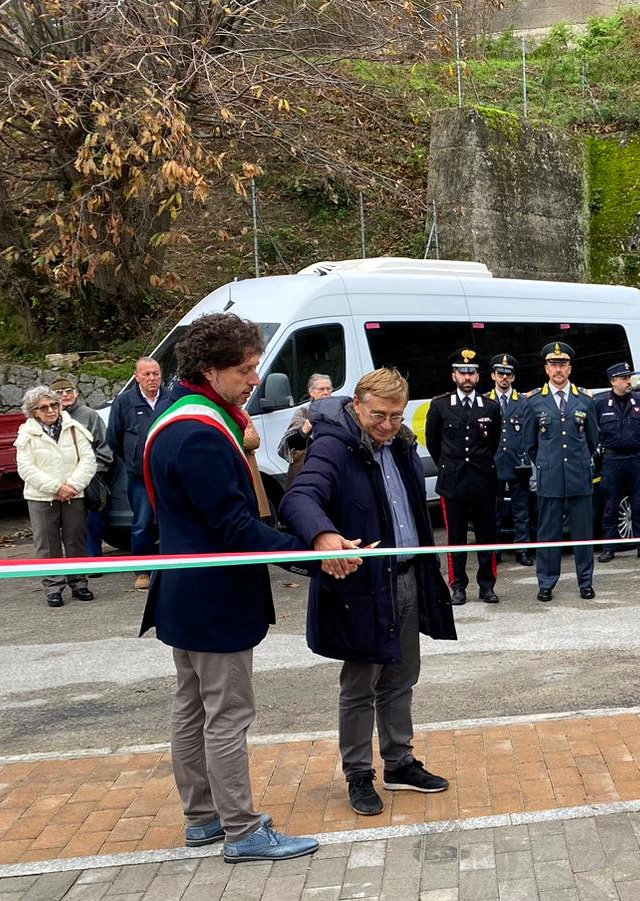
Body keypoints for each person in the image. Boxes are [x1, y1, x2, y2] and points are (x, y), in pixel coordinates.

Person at [141, 312, 335, 862]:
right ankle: (242, 830)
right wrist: (311, 552)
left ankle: (203, 817)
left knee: (192, 708)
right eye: (247, 369)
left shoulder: (181, 417)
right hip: (214, 597)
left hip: (187, 593)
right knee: (226, 714)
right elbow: (234, 528)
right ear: (211, 369)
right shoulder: (199, 434)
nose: (255, 379)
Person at [283, 366, 457, 815]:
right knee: (360, 686)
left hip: (408, 578)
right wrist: (323, 535)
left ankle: (399, 762)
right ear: (357, 405)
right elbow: (299, 498)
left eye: (396, 416)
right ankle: (359, 773)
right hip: (360, 587)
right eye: (379, 415)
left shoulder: (399, 445)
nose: (387, 424)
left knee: (402, 678)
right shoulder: (333, 447)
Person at [523, 341, 600, 601]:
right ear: (546, 369)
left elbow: (592, 441)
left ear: (570, 368)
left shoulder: (585, 400)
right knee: (548, 533)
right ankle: (546, 582)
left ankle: (585, 582)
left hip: (579, 475)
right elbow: (530, 444)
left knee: (583, 532)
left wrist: (577, 461)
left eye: (563, 364)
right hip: (550, 476)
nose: (558, 370)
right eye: (553, 365)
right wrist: (548, 463)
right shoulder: (534, 401)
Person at [426, 350, 502, 605]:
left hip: (482, 481)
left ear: (477, 376)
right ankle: (458, 585)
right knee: (455, 538)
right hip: (453, 482)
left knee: (486, 536)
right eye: (462, 372)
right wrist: (450, 466)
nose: (467, 377)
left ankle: (487, 585)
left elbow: (494, 442)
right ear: (454, 375)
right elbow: (433, 443)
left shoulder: (490, 406)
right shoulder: (440, 405)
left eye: (471, 372)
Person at [15, 385, 98, 606]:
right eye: (44, 408)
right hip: (41, 497)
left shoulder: (74, 428)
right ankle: (53, 587)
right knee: (47, 544)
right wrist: (56, 488)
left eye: (54, 405)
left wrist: (71, 486)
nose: (51, 410)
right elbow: (26, 468)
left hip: (74, 494)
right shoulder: (26, 433)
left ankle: (79, 583)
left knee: (76, 540)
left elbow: (88, 460)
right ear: (34, 412)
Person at [106, 355, 168, 589]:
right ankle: (143, 571)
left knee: (171, 520)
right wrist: (133, 460)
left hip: (166, 474)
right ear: (136, 376)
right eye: (146, 374)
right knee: (141, 523)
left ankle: (170, 566)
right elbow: (114, 438)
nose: (152, 378)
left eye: (156, 373)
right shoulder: (124, 402)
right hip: (139, 476)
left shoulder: (170, 399)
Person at [596, 362, 640, 563]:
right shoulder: (601, 404)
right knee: (611, 505)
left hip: (635, 458)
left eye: (628, 377)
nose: (628, 381)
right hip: (612, 459)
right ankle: (608, 548)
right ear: (613, 381)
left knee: (638, 504)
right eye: (623, 378)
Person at [51, 377, 114, 556]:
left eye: (69, 391)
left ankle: (93, 561)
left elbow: (104, 448)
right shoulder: (49, 419)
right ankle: (74, 563)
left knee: (92, 523)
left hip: (89, 480)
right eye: (59, 392)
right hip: (60, 481)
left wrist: (91, 473)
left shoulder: (89, 415)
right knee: (69, 526)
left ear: (76, 393)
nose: (65, 395)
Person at [489, 353, 536, 566]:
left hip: (519, 464)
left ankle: (522, 549)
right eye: (500, 374)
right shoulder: (486, 401)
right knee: (494, 511)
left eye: (508, 375)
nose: (504, 378)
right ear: (493, 375)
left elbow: (529, 434)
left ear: (513, 378)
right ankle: (496, 549)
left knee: (521, 510)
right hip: (494, 464)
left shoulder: (524, 403)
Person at [275, 373, 335, 487]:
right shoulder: (303, 413)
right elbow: (289, 444)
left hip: (332, 467)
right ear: (311, 392)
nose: (326, 392)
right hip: (308, 471)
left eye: (329, 388)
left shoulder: (339, 411)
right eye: (322, 389)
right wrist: (304, 430)